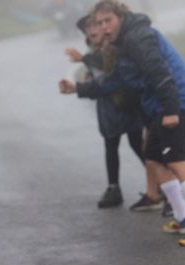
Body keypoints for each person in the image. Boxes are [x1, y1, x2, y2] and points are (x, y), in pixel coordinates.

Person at [61, 0, 185, 246]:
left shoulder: (137, 37)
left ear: (121, 18)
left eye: (108, 21)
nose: (103, 28)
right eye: (99, 23)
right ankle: (183, 217)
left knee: (175, 158)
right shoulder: (123, 44)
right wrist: (78, 88)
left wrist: (170, 110)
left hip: (177, 100)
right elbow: (115, 81)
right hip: (159, 104)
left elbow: (159, 72)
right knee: (154, 158)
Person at [63, 15, 147, 209]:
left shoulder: (114, 46)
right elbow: (95, 74)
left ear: (104, 28)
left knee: (137, 144)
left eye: (95, 25)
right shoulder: (91, 50)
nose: (91, 30)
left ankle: (160, 185)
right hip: (107, 105)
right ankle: (113, 187)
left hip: (127, 101)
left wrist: (83, 62)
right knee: (111, 144)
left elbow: (108, 66)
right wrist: (85, 81)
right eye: (87, 28)